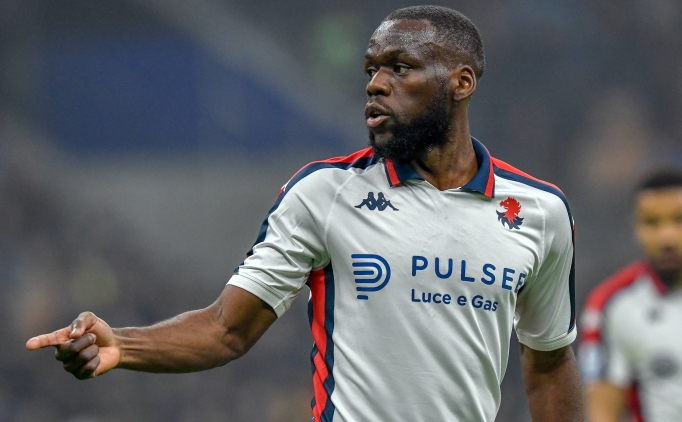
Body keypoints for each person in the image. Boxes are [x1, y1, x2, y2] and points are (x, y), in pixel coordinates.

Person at [26, 6, 583, 421]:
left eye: (400, 67)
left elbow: (550, 362)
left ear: (461, 82)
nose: (376, 84)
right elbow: (226, 329)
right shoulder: (325, 193)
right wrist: (123, 345)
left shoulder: (540, 213)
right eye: (371, 69)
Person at [580, 168, 682, 422]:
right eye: (652, 223)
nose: (667, 238)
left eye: (679, 220)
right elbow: (602, 414)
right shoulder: (611, 305)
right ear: (636, 226)